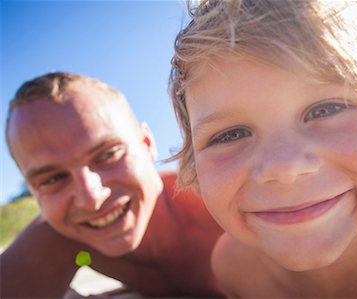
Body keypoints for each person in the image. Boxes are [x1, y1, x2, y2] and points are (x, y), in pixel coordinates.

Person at [168, 0, 357, 298]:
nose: (284, 167)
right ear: (194, 167)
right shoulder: (232, 268)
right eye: (231, 135)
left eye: (326, 109)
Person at [1, 72, 225, 298]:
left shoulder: (221, 205)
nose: (91, 198)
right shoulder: (65, 236)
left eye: (108, 154)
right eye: (53, 179)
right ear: (32, 190)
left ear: (147, 143)